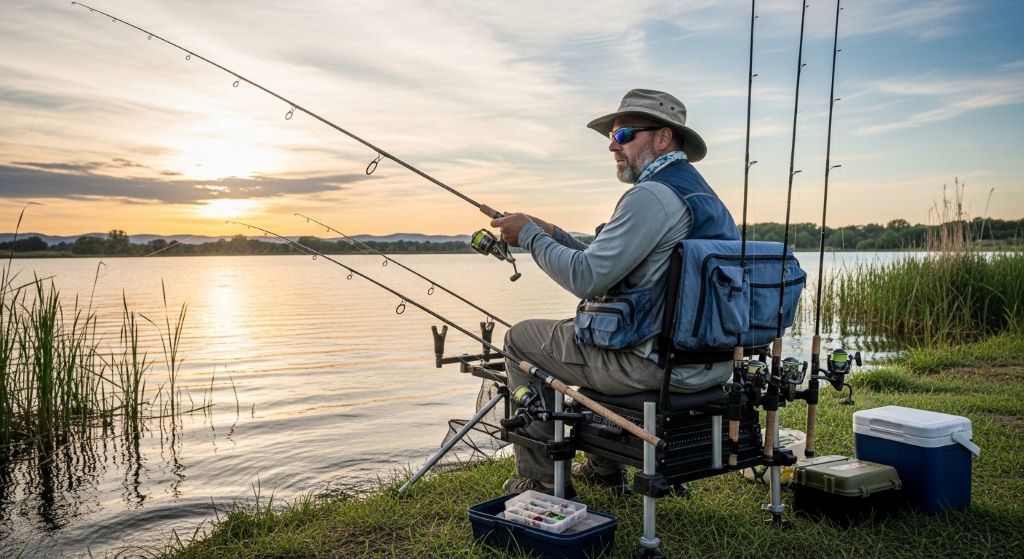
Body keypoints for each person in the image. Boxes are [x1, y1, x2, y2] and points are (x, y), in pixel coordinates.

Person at [491, 89, 741, 497]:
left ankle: (541, 480)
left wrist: (531, 237)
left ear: (662, 138)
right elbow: (613, 271)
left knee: (521, 340)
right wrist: (555, 235)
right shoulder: (701, 197)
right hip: (707, 365)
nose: (613, 144)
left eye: (624, 133)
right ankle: (603, 468)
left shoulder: (651, 196)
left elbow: (587, 280)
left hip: (653, 366)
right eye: (612, 135)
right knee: (582, 335)